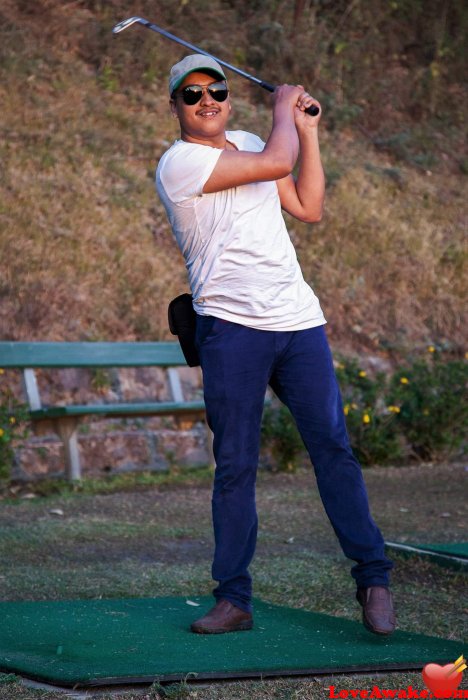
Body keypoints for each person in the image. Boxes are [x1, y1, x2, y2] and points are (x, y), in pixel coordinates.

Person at [156, 54, 396, 637]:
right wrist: (283, 106)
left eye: (216, 89)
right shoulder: (179, 163)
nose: (207, 100)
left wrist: (305, 129)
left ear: (227, 97)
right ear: (176, 107)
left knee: (333, 449)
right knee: (236, 466)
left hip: (297, 321)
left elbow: (307, 206)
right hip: (231, 330)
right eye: (192, 94)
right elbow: (276, 158)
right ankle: (233, 599)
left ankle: (374, 577)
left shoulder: (245, 139)